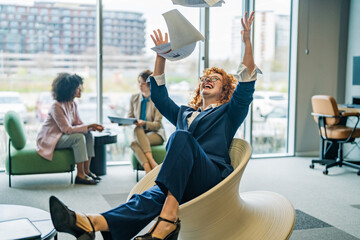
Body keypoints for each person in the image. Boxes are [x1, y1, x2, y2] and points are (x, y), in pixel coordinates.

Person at [49, 11, 259, 240]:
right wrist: (161, 57)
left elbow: (247, 82)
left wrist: (247, 42)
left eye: (215, 79)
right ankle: (90, 223)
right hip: (181, 178)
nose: (207, 80)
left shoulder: (229, 113)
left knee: (179, 138)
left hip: (208, 175)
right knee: (151, 196)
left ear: (226, 89)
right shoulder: (184, 113)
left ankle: (168, 221)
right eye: (204, 79)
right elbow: (159, 97)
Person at [36, 73, 104, 185]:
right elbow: (67, 129)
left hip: (62, 136)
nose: (81, 90)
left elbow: (78, 123)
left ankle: (87, 171)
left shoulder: (73, 104)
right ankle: (80, 175)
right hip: (50, 139)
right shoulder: (56, 106)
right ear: (69, 90)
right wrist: (88, 126)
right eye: (78, 88)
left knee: (88, 135)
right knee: (79, 137)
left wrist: (92, 127)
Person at [128, 70, 166, 173]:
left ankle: (150, 165)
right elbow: (130, 117)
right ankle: (149, 168)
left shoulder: (157, 99)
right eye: (139, 82)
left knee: (135, 139)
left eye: (143, 83)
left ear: (149, 84)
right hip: (140, 133)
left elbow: (157, 125)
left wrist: (144, 123)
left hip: (156, 134)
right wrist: (121, 121)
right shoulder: (134, 98)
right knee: (136, 134)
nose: (140, 85)